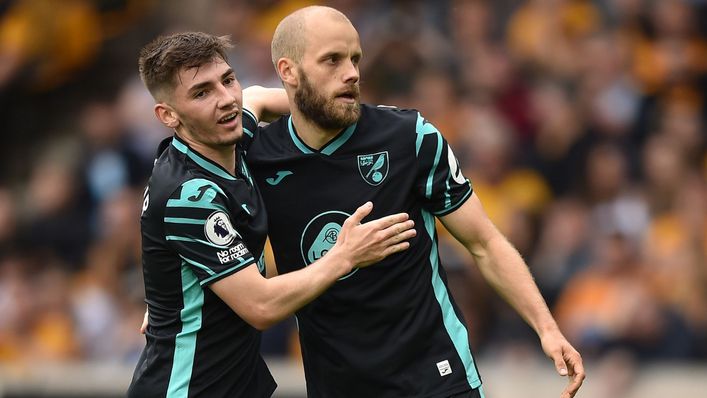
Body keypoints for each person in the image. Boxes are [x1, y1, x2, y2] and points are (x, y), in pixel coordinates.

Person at [242, 6, 585, 398]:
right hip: (338, 385)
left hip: (434, 377)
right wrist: (171, 310)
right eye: (332, 60)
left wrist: (547, 328)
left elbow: (485, 243)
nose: (351, 73)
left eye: (355, 58)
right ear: (288, 71)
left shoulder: (410, 138)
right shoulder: (257, 158)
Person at [128, 31, 416, 398]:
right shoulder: (191, 197)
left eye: (228, 80)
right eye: (202, 93)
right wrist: (345, 255)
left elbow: (259, 98)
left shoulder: (227, 139)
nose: (226, 100)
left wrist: (355, 117)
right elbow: (260, 306)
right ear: (168, 115)